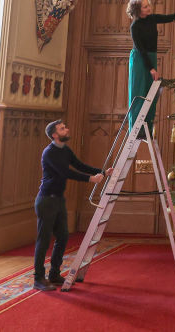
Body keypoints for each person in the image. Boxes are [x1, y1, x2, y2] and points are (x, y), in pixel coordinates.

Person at [34, 120, 108, 291]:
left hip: (58, 199)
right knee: (43, 241)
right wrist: (91, 179)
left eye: (65, 127)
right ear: (54, 135)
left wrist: (102, 172)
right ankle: (38, 278)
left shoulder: (65, 150)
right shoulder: (49, 152)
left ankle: (54, 273)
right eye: (62, 128)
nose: (66, 129)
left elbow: (79, 165)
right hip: (46, 200)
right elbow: (65, 172)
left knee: (63, 236)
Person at [127, 0, 175, 137]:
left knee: (150, 92)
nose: (149, 8)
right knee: (139, 91)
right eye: (145, 7)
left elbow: (172, 17)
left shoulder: (152, 18)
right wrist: (151, 68)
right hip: (140, 59)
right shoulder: (135, 26)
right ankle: (136, 129)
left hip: (151, 56)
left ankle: (147, 129)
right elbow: (141, 50)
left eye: (148, 5)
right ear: (138, 10)